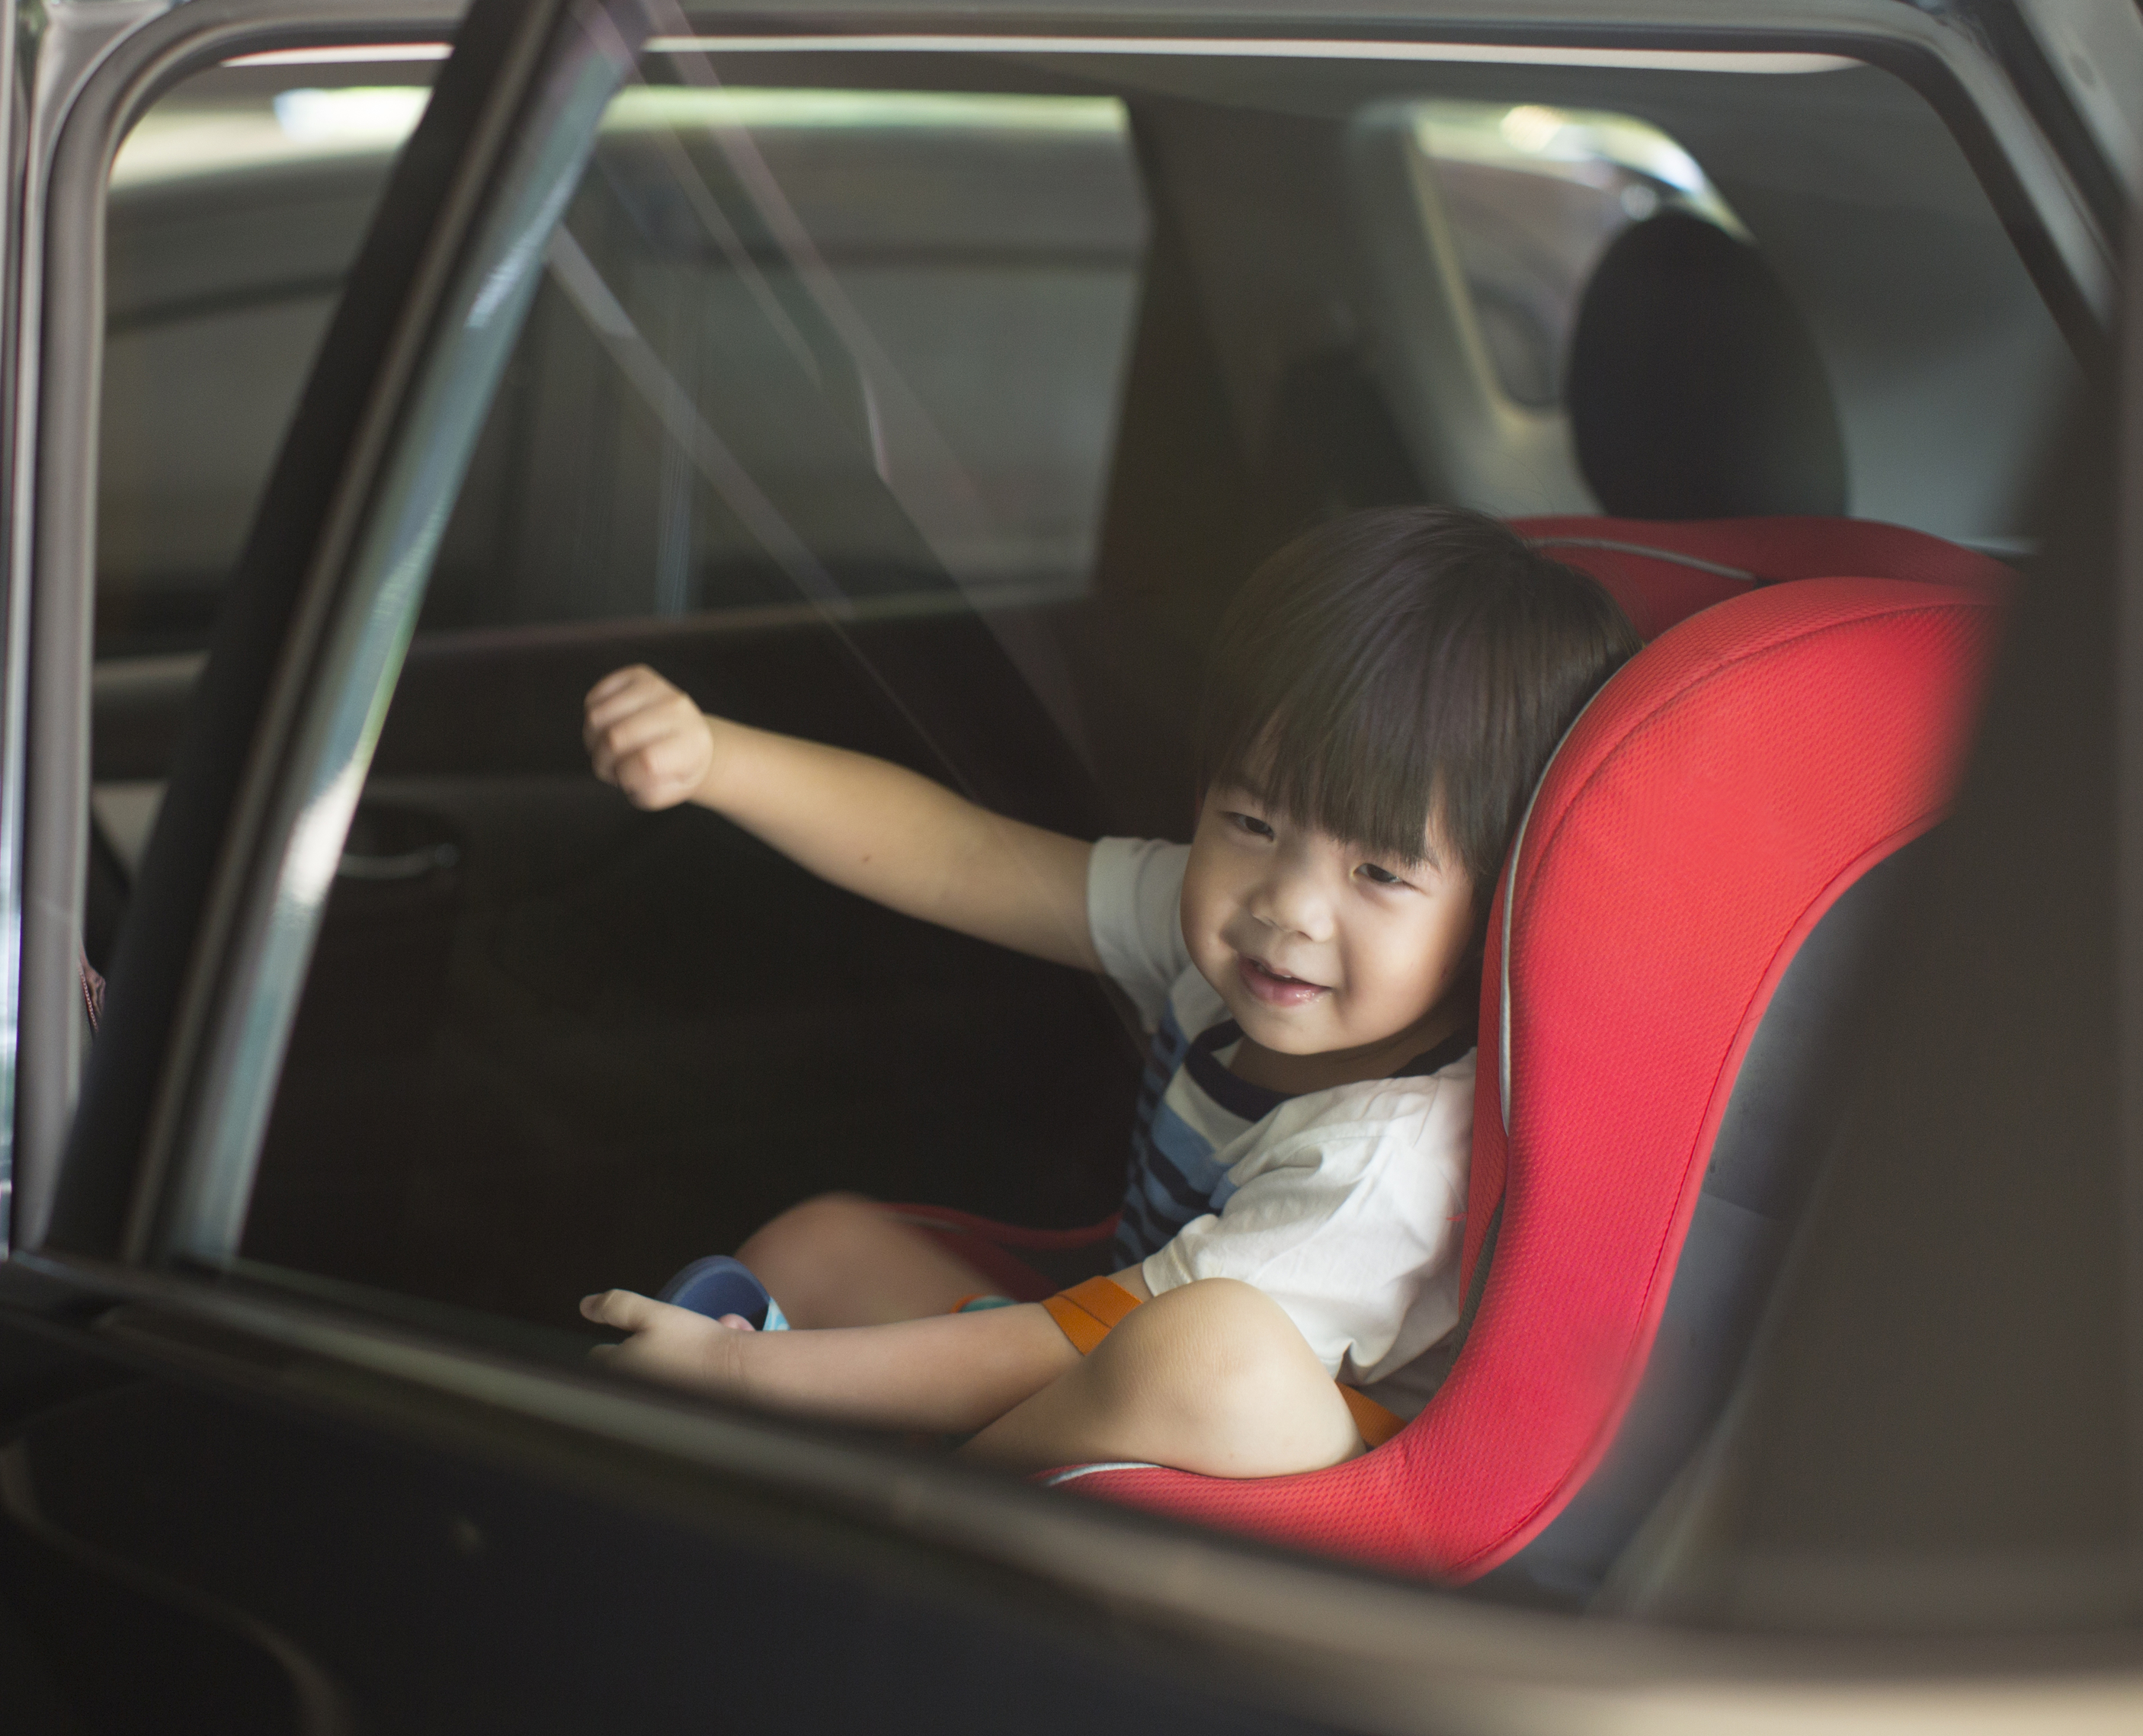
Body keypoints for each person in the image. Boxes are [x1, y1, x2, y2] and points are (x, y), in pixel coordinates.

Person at [574, 506, 1639, 1478]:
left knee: (1211, 1352)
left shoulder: (1391, 1161)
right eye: (1253, 821)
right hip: (1097, 1366)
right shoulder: (1234, 936)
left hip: (1303, 1509)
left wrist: (746, 1375)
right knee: (823, 1250)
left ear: (1497, 911)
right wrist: (715, 760)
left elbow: (1093, 1339)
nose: (1290, 907)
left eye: (1380, 873)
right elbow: (963, 859)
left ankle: (924, 1508)